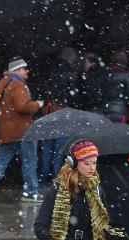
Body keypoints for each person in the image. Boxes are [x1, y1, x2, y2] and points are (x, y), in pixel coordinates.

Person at [0, 57, 44, 203]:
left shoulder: (0, 84)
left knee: (0, 160)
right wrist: (37, 104)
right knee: (29, 161)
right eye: (25, 68)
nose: (27, 71)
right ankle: (31, 193)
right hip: (23, 131)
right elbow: (22, 107)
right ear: (17, 70)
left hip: (6, 131)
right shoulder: (17, 84)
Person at [40, 47, 79, 182]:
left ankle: (44, 174)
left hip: (50, 109)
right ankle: (56, 174)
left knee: (47, 145)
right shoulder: (71, 72)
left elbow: (45, 89)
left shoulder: (52, 69)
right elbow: (73, 93)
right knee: (60, 146)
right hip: (63, 110)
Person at [102, 51, 129, 123]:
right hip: (120, 110)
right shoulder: (126, 76)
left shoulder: (107, 74)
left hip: (106, 110)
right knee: (119, 132)